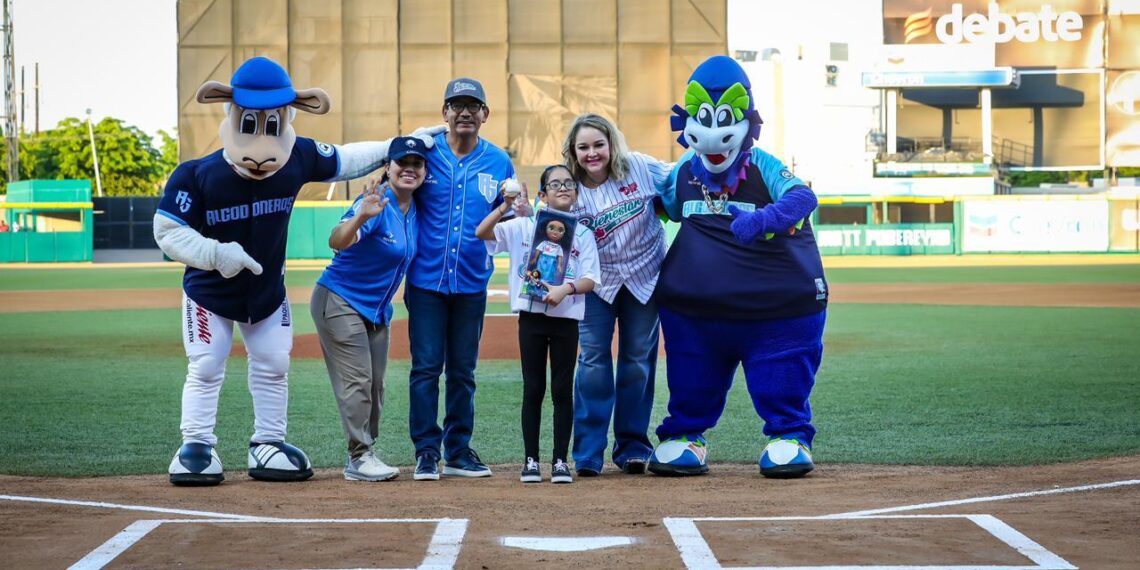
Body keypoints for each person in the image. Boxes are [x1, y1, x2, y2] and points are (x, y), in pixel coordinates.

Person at [153, 56, 440, 486]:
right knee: (207, 365)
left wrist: (397, 144)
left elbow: (346, 159)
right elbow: (168, 231)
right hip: (208, 292)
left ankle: (267, 442)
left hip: (268, 291)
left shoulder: (297, 156)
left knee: (272, 364)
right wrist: (215, 253)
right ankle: (197, 443)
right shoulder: (197, 174)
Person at [649, 55, 826, 478]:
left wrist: (761, 220)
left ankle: (788, 434)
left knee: (780, 373)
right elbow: (664, 207)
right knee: (692, 378)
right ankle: (687, 435)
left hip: (774, 310)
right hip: (696, 313)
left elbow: (803, 198)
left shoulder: (764, 165)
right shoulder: (683, 173)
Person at [405, 77, 521, 480]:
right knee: (425, 369)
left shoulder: (498, 162)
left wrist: (521, 213)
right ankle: (425, 451)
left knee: (462, 371)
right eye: (457, 105)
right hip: (425, 283)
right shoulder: (426, 155)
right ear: (445, 113)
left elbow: (506, 217)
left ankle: (456, 451)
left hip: (472, 282)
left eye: (474, 105)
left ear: (485, 115)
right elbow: (400, 189)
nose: (465, 112)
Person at [562, 113, 673, 477]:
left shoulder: (640, 167)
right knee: (593, 360)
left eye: (598, 144)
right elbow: (549, 230)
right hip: (596, 283)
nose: (592, 153)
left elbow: (680, 178)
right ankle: (589, 453)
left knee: (637, 360)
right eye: (583, 147)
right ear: (573, 152)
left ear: (611, 144)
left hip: (644, 275)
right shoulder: (569, 189)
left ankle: (632, 447)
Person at [311, 137, 428, 482]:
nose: (409, 169)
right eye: (401, 163)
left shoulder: (418, 210)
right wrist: (361, 214)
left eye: (417, 164)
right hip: (340, 299)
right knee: (357, 382)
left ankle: (365, 452)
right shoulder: (376, 204)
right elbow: (337, 241)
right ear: (388, 168)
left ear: (424, 171)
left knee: (375, 386)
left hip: (376, 311)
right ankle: (358, 457)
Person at [476, 165, 600, 484]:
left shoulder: (582, 234)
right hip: (531, 318)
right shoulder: (523, 226)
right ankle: (531, 460)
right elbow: (483, 233)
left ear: (576, 193)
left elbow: (590, 279)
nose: (563, 188)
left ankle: (560, 460)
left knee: (561, 390)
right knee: (533, 388)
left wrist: (565, 289)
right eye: (554, 184)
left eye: (569, 184)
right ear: (542, 194)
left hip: (566, 319)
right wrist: (505, 207)